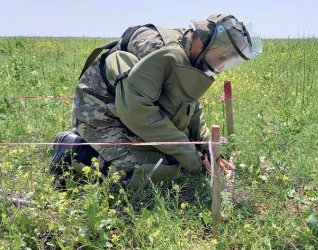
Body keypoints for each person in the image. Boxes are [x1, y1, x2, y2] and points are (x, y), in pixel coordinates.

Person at [49, 14, 263, 202]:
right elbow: (138, 111)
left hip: (126, 110)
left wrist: (207, 147)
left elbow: (190, 106)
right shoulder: (166, 54)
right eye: (222, 57)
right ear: (202, 44)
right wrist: (190, 156)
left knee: (171, 159)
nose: (221, 65)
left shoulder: (191, 55)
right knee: (150, 172)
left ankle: (96, 145)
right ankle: (75, 148)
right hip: (100, 112)